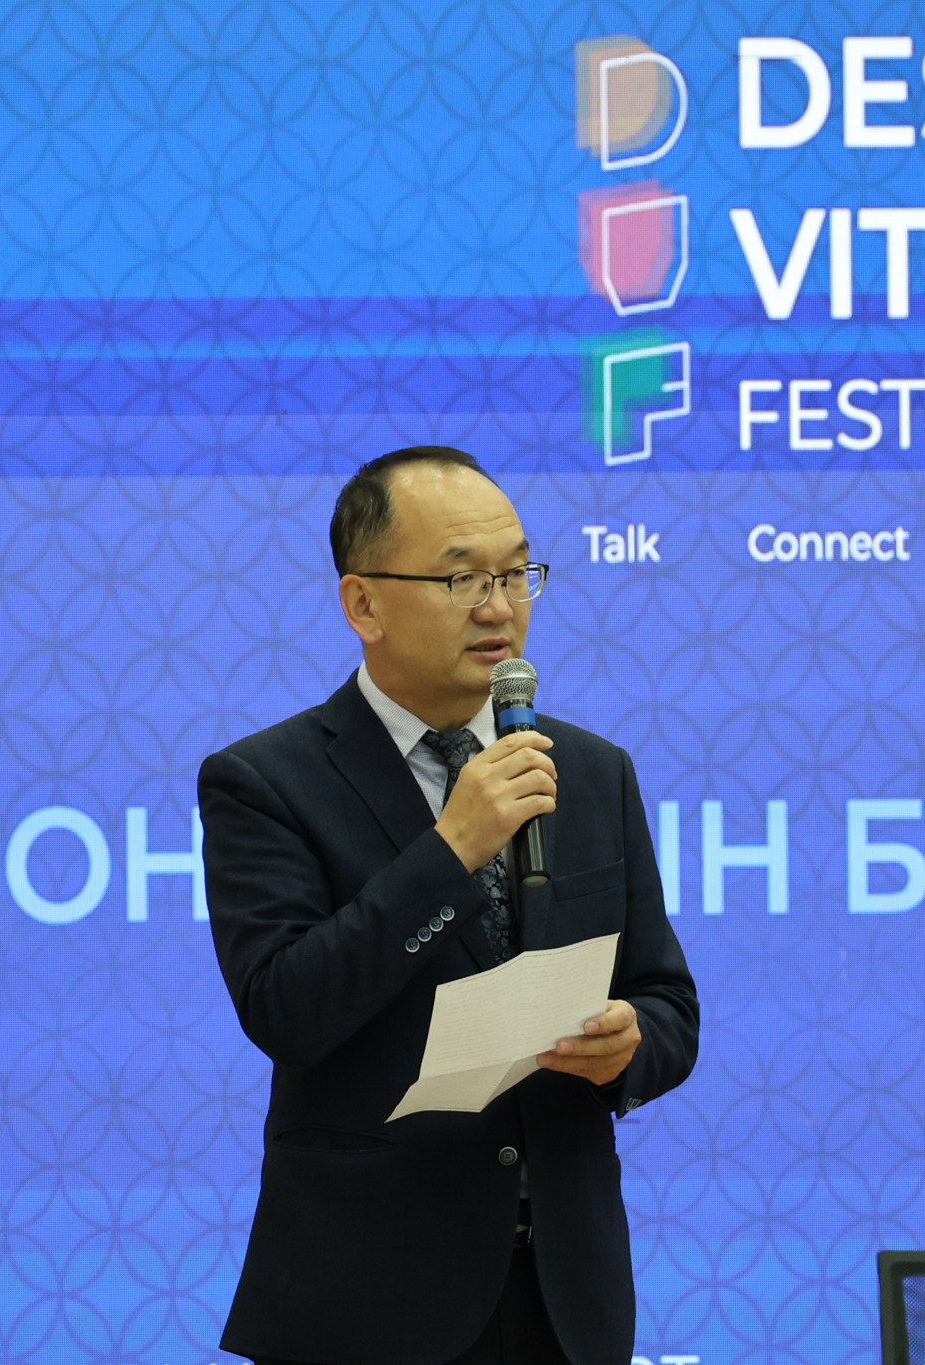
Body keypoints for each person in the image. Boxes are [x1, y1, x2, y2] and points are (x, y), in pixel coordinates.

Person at [199, 446, 699, 1365]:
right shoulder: (266, 782)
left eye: (516, 573)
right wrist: (449, 851)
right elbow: (285, 1007)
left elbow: (668, 1001)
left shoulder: (591, 770)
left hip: (564, 1303)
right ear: (363, 604)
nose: (500, 607)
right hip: (365, 1305)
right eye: (462, 578)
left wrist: (629, 1046)